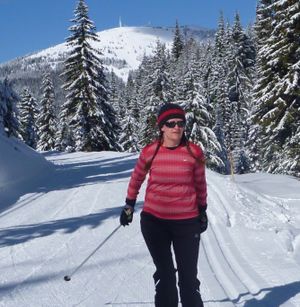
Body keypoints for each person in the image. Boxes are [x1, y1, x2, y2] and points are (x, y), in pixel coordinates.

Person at [120, 103, 208, 307]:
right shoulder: (151, 151)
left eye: (181, 123)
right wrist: (129, 205)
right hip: (155, 223)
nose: (177, 127)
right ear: (162, 127)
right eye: (171, 123)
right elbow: (137, 178)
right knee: (166, 277)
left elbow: (200, 184)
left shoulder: (194, 152)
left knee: (188, 281)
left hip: (187, 224)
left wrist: (202, 210)